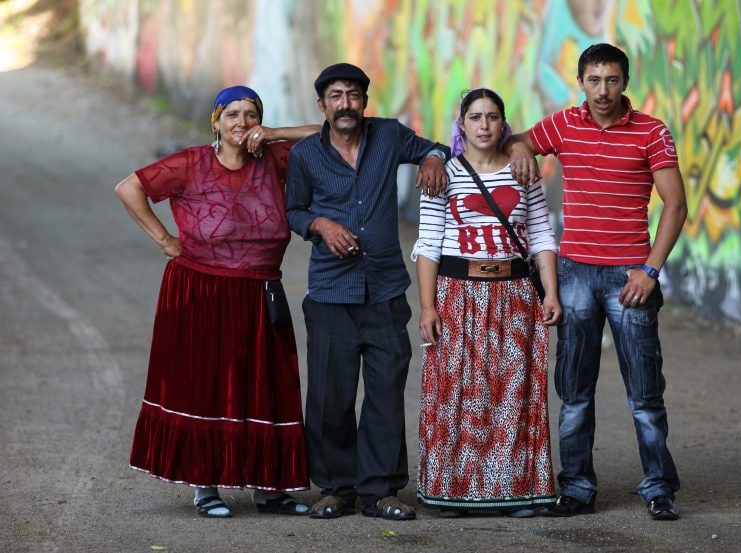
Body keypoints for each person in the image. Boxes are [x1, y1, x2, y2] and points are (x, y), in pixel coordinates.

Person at [115, 85, 320, 518]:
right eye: (232, 115)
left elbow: (327, 136)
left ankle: (271, 488)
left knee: (267, 384)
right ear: (216, 121)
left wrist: (275, 133)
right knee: (204, 384)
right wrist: (166, 239)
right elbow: (128, 187)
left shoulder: (278, 160)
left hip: (260, 290)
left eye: (250, 114)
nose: (241, 122)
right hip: (199, 290)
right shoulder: (191, 163)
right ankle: (204, 486)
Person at [507, 43, 687, 521]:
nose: (602, 90)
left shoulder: (651, 132)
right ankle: (578, 487)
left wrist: (650, 271)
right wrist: (524, 150)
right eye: (593, 80)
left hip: (631, 278)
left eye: (611, 80)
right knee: (574, 391)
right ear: (581, 81)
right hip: (576, 275)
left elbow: (676, 204)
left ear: (625, 81)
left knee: (645, 393)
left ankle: (657, 487)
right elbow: (515, 138)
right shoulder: (564, 124)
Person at [285, 62, 450, 521]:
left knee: (384, 392)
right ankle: (337, 487)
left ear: (364, 102)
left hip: (384, 289)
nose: (345, 103)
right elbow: (294, 210)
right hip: (330, 293)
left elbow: (435, 146)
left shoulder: (389, 136)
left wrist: (434, 157)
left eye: (353, 94)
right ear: (322, 106)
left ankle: (380, 492)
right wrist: (320, 224)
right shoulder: (305, 156)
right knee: (330, 397)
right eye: (335, 96)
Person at [412, 88, 563, 518]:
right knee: (459, 393)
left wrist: (550, 292)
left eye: (492, 117)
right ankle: (455, 491)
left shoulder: (523, 171)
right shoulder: (443, 174)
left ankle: (515, 490)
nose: (484, 125)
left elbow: (541, 236)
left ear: (503, 124)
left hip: (515, 295)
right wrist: (427, 307)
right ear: (461, 125)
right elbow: (428, 245)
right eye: (475, 117)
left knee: (514, 393)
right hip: (458, 293)